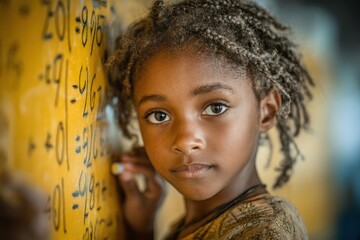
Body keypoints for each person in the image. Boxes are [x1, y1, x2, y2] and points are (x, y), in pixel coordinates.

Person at [108, 0, 314, 239]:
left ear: (266, 112)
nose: (185, 141)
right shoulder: (193, 225)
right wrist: (140, 228)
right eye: (159, 115)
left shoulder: (265, 232)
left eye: (216, 107)